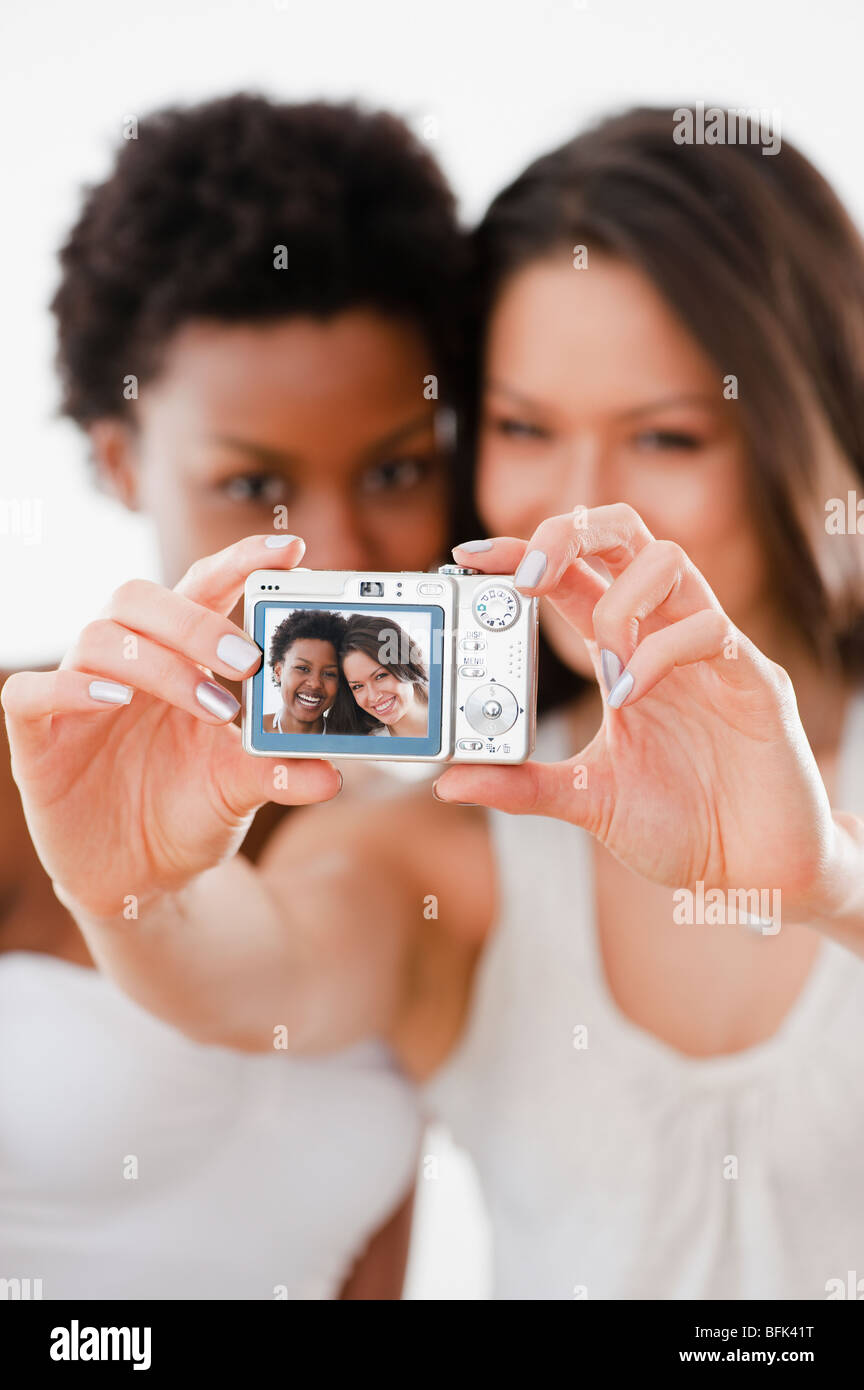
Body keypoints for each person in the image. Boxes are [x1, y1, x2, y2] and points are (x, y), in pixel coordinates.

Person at [7, 106, 864, 1300]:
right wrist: (133, 888)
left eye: (667, 435)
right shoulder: (458, 826)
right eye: (522, 428)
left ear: (805, 428)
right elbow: (264, 974)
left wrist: (833, 884)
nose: (572, 509)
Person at [0, 92, 473, 1299]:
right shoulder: (25, 765)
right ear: (119, 459)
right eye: (252, 480)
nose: (333, 549)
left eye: (395, 468)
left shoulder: (417, 844)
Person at [330, 615, 430, 736]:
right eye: (357, 686)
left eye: (380, 676)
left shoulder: (453, 706)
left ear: (406, 663)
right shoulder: (365, 746)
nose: (373, 697)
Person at [264, 611, 346, 734]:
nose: (315, 684)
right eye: (303, 668)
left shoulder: (350, 740)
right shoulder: (250, 732)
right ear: (278, 671)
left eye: (329, 674)